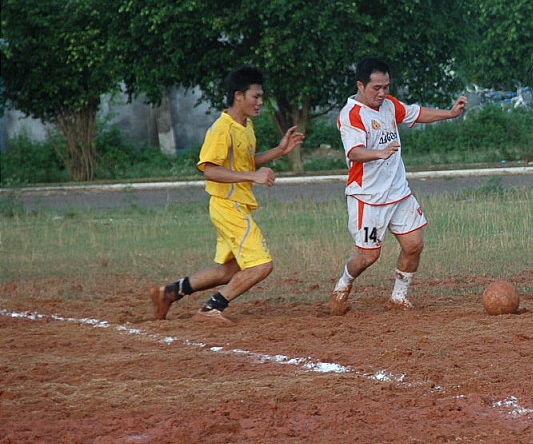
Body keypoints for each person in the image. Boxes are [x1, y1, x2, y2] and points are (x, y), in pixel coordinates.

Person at [149, 66, 305, 326]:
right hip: (227, 206)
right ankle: (210, 309)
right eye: (255, 96)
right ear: (238, 96)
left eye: (261, 96)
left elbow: (245, 162)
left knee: (230, 270)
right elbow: (210, 170)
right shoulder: (222, 129)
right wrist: (253, 176)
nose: (260, 102)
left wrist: (278, 151)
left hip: (237, 205)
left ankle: (169, 292)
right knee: (261, 265)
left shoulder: (246, 126)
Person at [329, 57, 468, 315]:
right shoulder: (351, 114)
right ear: (360, 85)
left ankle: (398, 297)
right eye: (376, 88)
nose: (382, 93)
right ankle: (343, 284)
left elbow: (417, 113)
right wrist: (379, 153)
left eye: (386, 87)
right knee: (368, 256)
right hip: (368, 199)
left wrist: (450, 114)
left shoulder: (389, 105)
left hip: (398, 193)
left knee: (414, 244)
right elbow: (354, 152)